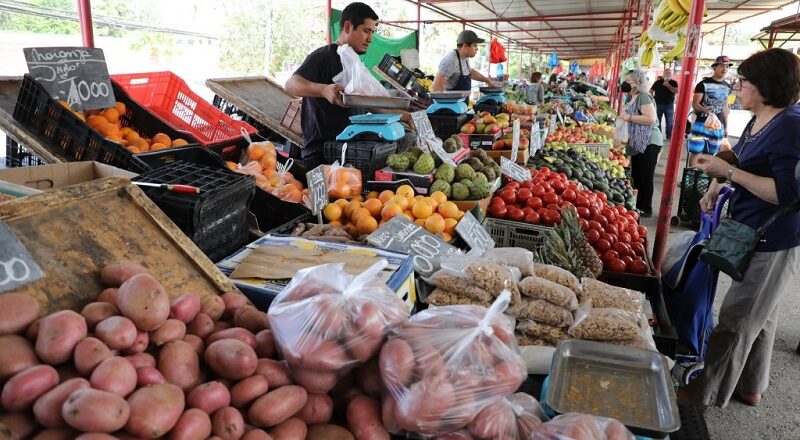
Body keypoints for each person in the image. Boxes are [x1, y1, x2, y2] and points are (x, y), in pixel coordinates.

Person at [677, 48, 800, 409]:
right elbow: (744, 156)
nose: (737, 88)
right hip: (751, 228)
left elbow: (786, 193)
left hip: (774, 236)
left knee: (738, 317)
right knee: (763, 312)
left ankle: (705, 392)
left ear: (764, 86)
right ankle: (751, 385)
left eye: (743, 82)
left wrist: (728, 173)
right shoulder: (761, 118)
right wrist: (719, 178)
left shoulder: (792, 126)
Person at [285, 3, 409, 169]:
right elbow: (290, 84)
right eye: (366, 31)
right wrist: (323, 90)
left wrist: (402, 115)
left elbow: (368, 103)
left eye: (372, 32)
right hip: (322, 155)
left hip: (350, 152)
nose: (370, 39)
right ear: (348, 26)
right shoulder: (324, 56)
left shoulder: (354, 63)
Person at [618, 69, 662, 218]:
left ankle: (645, 208)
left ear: (637, 83)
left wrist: (629, 117)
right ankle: (637, 205)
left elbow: (650, 118)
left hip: (649, 141)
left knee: (645, 175)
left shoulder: (643, 97)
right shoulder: (629, 97)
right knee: (637, 174)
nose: (625, 83)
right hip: (637, 141)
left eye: (628, 81)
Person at [693, 55, 733, 131]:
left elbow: (725, 107)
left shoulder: (727, 86)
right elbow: (695, 104)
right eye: (721, 66)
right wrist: (706, 111)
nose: (724, 69)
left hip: (718, 125)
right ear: (714, 68)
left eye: (727, 67)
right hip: (702, 124)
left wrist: (726, 127)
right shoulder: (703, 84)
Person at [650, 68, 679, 142]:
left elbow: (675, 91)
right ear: (663, 74)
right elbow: (651, 90)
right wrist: (652, 98)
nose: (667, 74)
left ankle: (669, 137)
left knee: (669, 121)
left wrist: (667, 85)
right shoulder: (658, 82)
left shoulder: (674, 82)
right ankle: (658, 136)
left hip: (669, 105)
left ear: (671, 74)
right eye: (666, 73)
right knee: (657, 121)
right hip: (658, 104)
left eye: (669, 73)